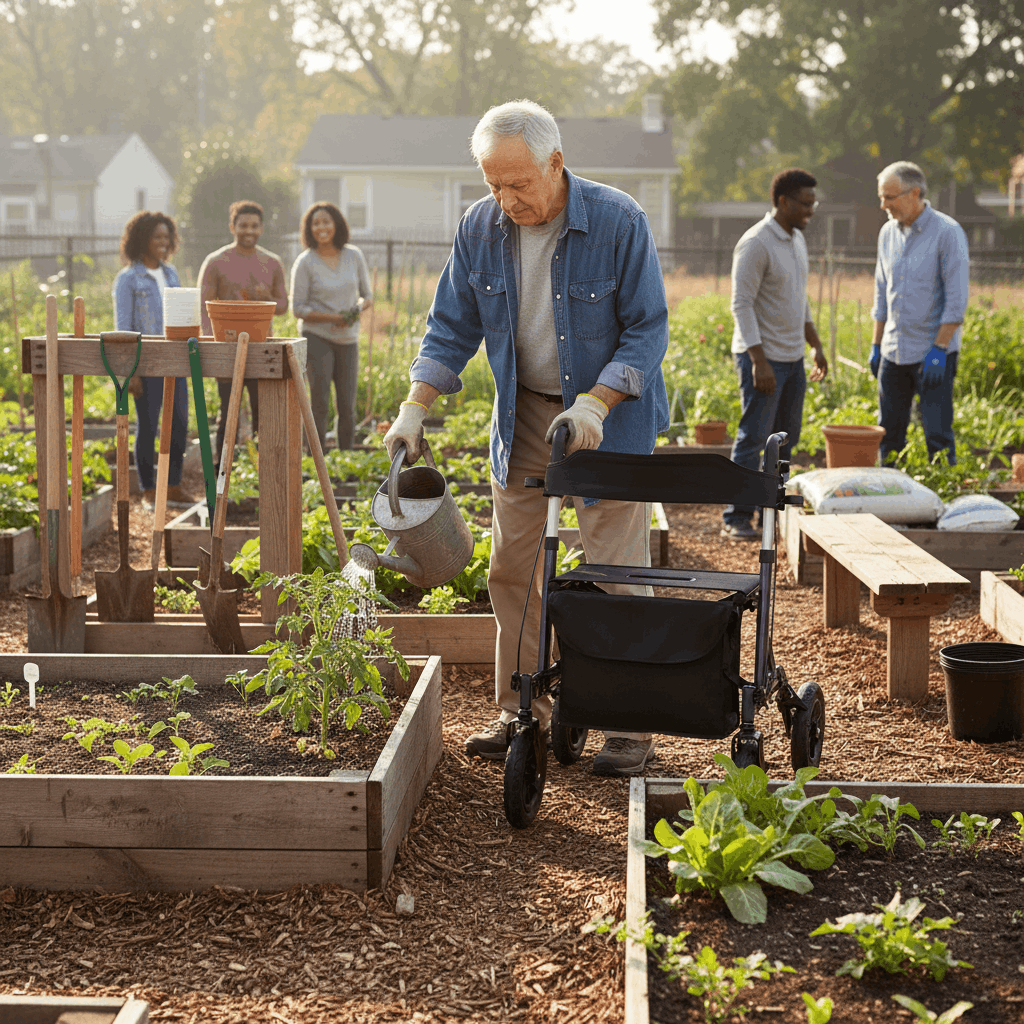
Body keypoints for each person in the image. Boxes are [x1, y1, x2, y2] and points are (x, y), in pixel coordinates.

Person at [383, 100, 669, 777]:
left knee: (614, 571)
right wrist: (413, 407)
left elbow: (647, 330)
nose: (506, 199)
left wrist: (598, 402)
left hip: (610, 417)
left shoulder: (619, 220)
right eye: (493, 185)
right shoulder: (481, 229)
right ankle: (523, 712)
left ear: (556, 163)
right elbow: (451, 329)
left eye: (520, 183)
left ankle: (629, 724)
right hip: (525, 417)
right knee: (512, 569)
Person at [721, 168, 828, 540]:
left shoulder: (796, 239)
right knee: (754, 436)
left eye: (814, 204)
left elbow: (800, 300)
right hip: (762, 359)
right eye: (805, 204)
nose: (810, 212)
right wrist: (758, 361)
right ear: (783, 202)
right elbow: (741, 304)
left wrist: (815, 344)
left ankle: (773, 509)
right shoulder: (756, 242)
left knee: (787, 436)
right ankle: (737, 516)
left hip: (792, 357)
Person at [870, 161, 969, 466]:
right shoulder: (887, 233)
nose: (883, 205)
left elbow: (956, 300)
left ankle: (942, 497)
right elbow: (881, 294)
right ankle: (891, 499)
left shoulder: (947, 233)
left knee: (937, 435)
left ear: (915, 193)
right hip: (893, 352)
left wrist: (940, 348)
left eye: (890, 197)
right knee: (889, 436)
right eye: (881, 197)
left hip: (932, 353)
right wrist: (876, 345)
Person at [112, 210, 196, 509]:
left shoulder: (171, 273)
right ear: (141, 240)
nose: (162, 241)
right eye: (156, 236)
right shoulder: (128, 279)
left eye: (166, 236)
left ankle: (172, 486)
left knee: (179, 423)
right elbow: (123, 326)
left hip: (175, 359)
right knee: (147, 425)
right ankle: (149, 490)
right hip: (146, 363)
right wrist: (129, 371)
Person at [198, 200, 288, 467]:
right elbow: (204, 308)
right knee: (229, 413)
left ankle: (263, 471)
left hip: (261, 349)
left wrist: (267, 297)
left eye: (253, 225)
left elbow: (283, 306)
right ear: (232, 227)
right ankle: (221, 472)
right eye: (243, 225)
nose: (248, 230)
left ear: (261, 228)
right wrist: (212, 345)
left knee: (263, 414)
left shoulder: (272, 263)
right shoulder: (215, 262)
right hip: (227, 350)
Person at [289, 202, 373, 451]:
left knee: (347, 404)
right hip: (317, 337)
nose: (321, 227)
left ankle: (345, 457)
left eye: (326, 221)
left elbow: (367, 296)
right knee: (319, 401)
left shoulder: (354, 255)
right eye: (315, 223)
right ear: (309, 229)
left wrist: (353, 311)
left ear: (336, 224)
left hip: (348, 338)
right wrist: (331, 318)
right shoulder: (305, 262)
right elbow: (298, 308)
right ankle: (315, 457)